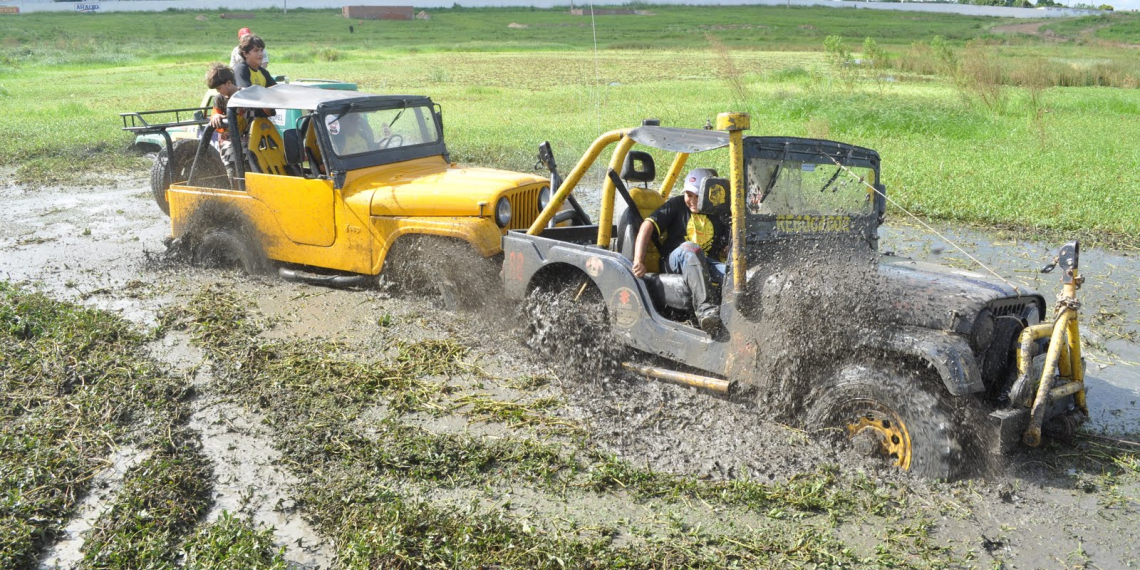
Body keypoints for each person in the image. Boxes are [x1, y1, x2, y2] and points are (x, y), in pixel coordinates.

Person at [632, 168, 729, 333]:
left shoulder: (719, 211)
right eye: (689, 195)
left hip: (704, 264)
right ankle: (705, 310)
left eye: (697, 196)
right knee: (691, 248)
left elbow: (730, 242)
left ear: (708, 196)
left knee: (731, 272)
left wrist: (728, 249)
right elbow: (646, 226)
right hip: (675, 261)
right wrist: (638, 260)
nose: (691, 200)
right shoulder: (676, 205)